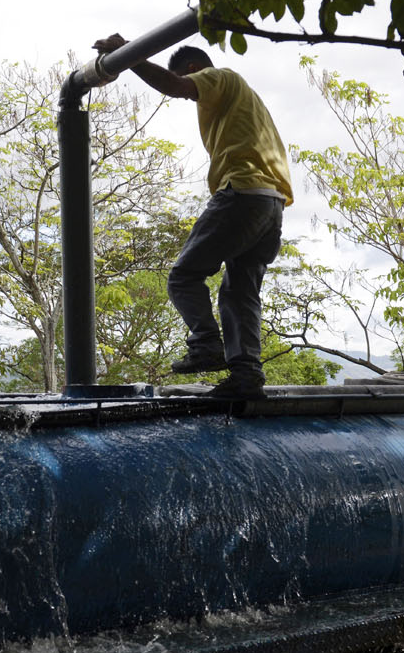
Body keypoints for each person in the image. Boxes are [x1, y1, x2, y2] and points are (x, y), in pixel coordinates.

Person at [92, 34, 292, 400]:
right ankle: (246, 376)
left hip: (243, 191)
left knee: (183, 277)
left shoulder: (220, 77)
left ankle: (206, 345)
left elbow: (175, 85)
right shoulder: (242, 102)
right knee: (240, 290)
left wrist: (128, 55)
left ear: (194, 68)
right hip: (272, 204)